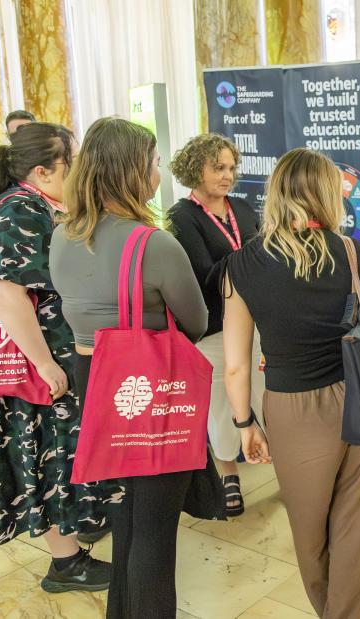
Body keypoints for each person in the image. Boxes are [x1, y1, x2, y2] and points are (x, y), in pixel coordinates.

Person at [50, 117, 211, 618]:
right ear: (133, 172)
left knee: (125, 515)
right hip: (147, 385)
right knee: (155, 530)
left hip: (91, 380)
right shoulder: (154, 244)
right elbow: (197, 322)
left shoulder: (63, 236)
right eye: (154, 163)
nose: (158, 172)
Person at [223, 147, 360, 619]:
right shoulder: (351, 252)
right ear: (326, 195)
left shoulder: (244, 263)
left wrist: (244, 423)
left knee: (309, 533)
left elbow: (236, 365)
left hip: (292, 408)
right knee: (356, 526)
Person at [0, 121, 121, 591]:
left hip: (58, 360)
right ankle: (66, 563)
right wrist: (45, 364)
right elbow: (6, 292)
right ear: (42, 170)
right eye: (70, 162)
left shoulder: (40, 204)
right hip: (43, 370)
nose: (77, 170)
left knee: (67, 456)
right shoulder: (19, 209)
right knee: (49, 460)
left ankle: (79, 530)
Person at [166, 133, 262, 516]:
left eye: (231, 168)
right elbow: (205, 273)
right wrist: (252, 265)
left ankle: (271, 456)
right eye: (217, 168)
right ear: (195, 170)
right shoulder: (180, 216)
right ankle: (228, 472)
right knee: (221, 404)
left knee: (261, 395)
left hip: (256, 320)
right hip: (214, 326)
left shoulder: (242, 207)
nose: (227, 176)